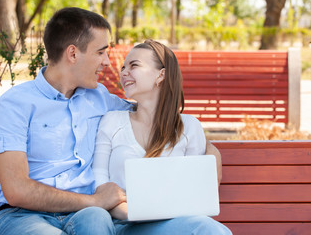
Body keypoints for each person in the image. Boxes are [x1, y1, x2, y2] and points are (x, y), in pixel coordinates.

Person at [0, 7, 131, 235]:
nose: (107, 62)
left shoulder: (100, 97)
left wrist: (206, 148)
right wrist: (95, 201)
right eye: (101, 52)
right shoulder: (14, 104)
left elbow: (152, 114)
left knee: (96, 220)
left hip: (88, 214)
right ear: (73, 54)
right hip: (23, 215)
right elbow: (17, 190)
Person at [92, 39, 232, 235]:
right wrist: (131, 212)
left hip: (174, 224)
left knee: (208, 229)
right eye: (123, 67)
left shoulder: (189, 127)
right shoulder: (112, 122)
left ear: (161, 75)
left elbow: (197, 195)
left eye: (134, 65)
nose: (124, 72)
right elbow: (100, 186)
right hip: (125, 225)